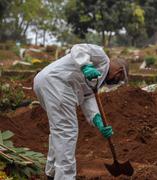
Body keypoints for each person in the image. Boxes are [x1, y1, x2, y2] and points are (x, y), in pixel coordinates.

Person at [33, 44, 128, 180]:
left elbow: (87, 97)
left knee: (59, 131)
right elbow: (78, 48)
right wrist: (85, 65)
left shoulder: (97, 80)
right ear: (118, 71)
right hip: (57, 83)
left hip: (45, 82)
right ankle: (65, 177)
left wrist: (97, 120)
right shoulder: (101, 57)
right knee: (67, 132)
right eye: (118, 80)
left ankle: (52, 172)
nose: (114, 83)